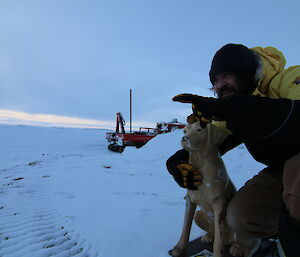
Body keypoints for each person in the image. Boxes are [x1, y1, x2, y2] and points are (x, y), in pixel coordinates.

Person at [166, 44, 300, 257]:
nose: (220, 86)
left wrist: (233, 108)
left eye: (226, 76)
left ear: (247, 73)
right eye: (215, 81)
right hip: (279, 172)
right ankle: (282, 225)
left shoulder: (290, 78)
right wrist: (180, 159)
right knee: (240, 218)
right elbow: (212, 139)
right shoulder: (233, 105)